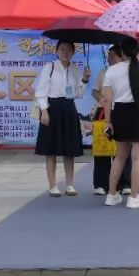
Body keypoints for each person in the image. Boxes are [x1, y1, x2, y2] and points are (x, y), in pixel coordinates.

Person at [34, 40, 89, 197]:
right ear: (56, 51)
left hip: (69, 108)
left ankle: (69, 184)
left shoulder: (74, 68)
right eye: (62, 49)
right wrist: (44, 111)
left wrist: (84, 80)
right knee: (50, 150)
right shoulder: (49, 67)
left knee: (69, 150)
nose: (65, 52)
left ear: (73, 52)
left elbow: (78, 93)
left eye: (69, 50)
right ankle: (52, 185)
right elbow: (41, 92)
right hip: (52, 108)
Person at [101, 39, 139, 208]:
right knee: (138, 158)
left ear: (121, 52)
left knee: (120, 156)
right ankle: (134, 197)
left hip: (120, 113)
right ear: (137, 51)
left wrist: (108, 121)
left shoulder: (112, 70)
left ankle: (111, 194)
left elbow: (107, 99)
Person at [90, 44, 122, 195]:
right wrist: (101, 98)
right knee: (102, 146)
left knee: (120, 148)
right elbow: (95, 91)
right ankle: (101, 184)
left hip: (119, 111)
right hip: (103, 112)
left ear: (121, 56)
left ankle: (122, 183)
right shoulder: (104, 72)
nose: (109, 58)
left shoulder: (126, 73)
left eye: (112, 55)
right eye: (108, 55)